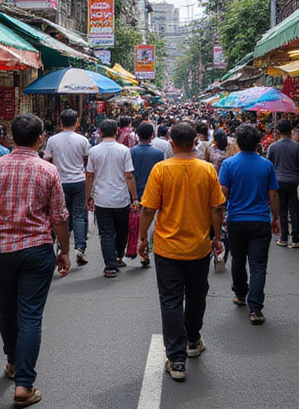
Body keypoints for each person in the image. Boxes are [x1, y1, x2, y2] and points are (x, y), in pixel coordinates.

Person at [0, 113, 71, 407]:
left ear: (11, 138)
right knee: (30, 315)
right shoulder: (48, 171)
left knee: (7, 307)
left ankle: (14, 362)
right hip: (36, 250)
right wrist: (64, 250)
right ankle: (24, 385)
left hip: (0, 250)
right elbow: (59, 217)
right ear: (40, 138)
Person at [138, 121, 225, 381]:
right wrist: (217, 237)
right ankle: (193, 339)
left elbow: (148, 208)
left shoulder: (161, 169)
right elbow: (216, 207)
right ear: (195, 142)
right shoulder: (207, 170)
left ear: (172, 143)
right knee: (197, 295)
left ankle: (176, 360)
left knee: (171, 300)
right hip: (199, 247)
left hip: (167, 248)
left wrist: (141, 238)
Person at [219, 124, 279, 324]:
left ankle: (240, 293)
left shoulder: (228, 164)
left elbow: (223, 192)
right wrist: (276, 218)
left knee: (238, 259)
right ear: (258, 143)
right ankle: (256, 308)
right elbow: (273, 194)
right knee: (258, 265)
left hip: (236, 219)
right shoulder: (266, 165)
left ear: (237, 141)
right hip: (260, 220)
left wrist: (220, 215)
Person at [85, 119, 139, 278]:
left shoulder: (94, 151)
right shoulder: (124, 150)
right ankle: (118, 256)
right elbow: (129, 176)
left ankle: (110, 266)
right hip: (121, 198)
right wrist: (135, 198)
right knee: (122, 230)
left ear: (100, 132)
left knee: (106, 233)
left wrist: (88, 196)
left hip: (101, 198)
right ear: (117, 131)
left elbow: (89, 175)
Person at [43, 109, 91, 266]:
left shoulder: (53, 140)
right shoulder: (82, 140)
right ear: (77, 122)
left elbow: (46, 159)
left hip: (60, 182)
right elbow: (87, 159)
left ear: (60, 122)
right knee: (79, 215)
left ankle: (61, 247)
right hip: (79, 181)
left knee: (61, 215)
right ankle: (80, 247)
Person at [267, 118, 299, 248]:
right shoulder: (297, 146)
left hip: (278, 182)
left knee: (282, 210)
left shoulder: (273, 147)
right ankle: (295, 239)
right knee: (294, 210)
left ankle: (283, 238)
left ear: (278, 131)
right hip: (294, 182)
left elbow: (268, 165)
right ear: (290, 130)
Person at [130, 122, 165, 267]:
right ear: (152, 135)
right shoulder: (159, 154)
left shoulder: (131, 152)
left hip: (135, 192)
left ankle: (141, 249)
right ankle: (147, 249)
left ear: (137, 135)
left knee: (137, 223)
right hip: (154, 193)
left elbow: (129, 174)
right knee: (152, 224)